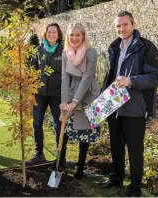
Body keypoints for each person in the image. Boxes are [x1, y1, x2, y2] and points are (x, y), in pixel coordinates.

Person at [99, 11, 158, 197]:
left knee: (135, 150)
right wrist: (103, 101)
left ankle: (135, 188)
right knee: (115, 146)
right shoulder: (115, 47)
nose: (121, 29)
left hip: (135, 106)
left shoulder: (146, 47)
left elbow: (155, 78)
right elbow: (111, 76)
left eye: (125, 24)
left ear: (133, 24)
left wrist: (131, 80)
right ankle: (116, 178)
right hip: (113, 104)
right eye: (118, 25)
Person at [59, 23, 101, 179]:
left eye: (78, 35)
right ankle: (60, 163)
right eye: (71, 35)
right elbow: (64, 77)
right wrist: (64, 102)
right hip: (71, 94)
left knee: (85, 133)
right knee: (64, 129)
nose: (74, 38)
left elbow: (87, 78)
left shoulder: (91, 52)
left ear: (83, 36)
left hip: (88, 95)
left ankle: (80, 170)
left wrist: (75, 101)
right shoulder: (65, 54)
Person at [25, 23, 64, 166]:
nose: (51, 34)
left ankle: (60, 156)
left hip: (57, 94)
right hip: (39, 94)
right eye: (49, 32)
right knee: (37, 123)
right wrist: (31, 92)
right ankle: (39, 153)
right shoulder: (38, 50)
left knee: (58, 125)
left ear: (58, 34)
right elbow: (31, 72)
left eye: (54, 32)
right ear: (45, 34)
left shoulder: (64, 50)